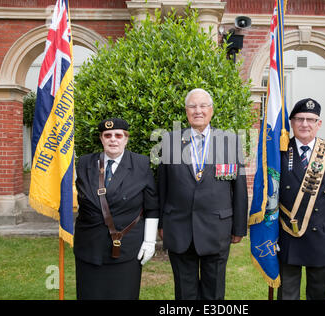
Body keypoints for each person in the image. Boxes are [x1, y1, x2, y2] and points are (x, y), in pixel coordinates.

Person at [158, 88, 248, 300]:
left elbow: (239, 188)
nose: (198, 110)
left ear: (211, 110)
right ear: (186, 111)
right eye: (192, 106)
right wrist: (162, 224)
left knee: (214, 292)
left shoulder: (230, 141)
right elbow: (162, 186)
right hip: (180, 229)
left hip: (217, 229)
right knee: (184, 292)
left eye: (203, 106)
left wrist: (239, 228)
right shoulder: (169, 141)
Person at [277, 98, 325, 300]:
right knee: (287, 295)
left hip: (322, 237)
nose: (305, 124)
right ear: (292, 122)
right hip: (288, 236)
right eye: (300, 119)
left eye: (311, 119)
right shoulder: (279, 153)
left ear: (319, 124)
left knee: (318, 296)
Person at [74, 118, 159, 300]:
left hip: (125, 247)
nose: (113, 139)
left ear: (126, 139)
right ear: (101, 139)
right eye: (108, 135)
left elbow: (152, 207)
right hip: (89, 246)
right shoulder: (84, 163)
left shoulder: (140, 164)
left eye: (118, 135)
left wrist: (150, 241)